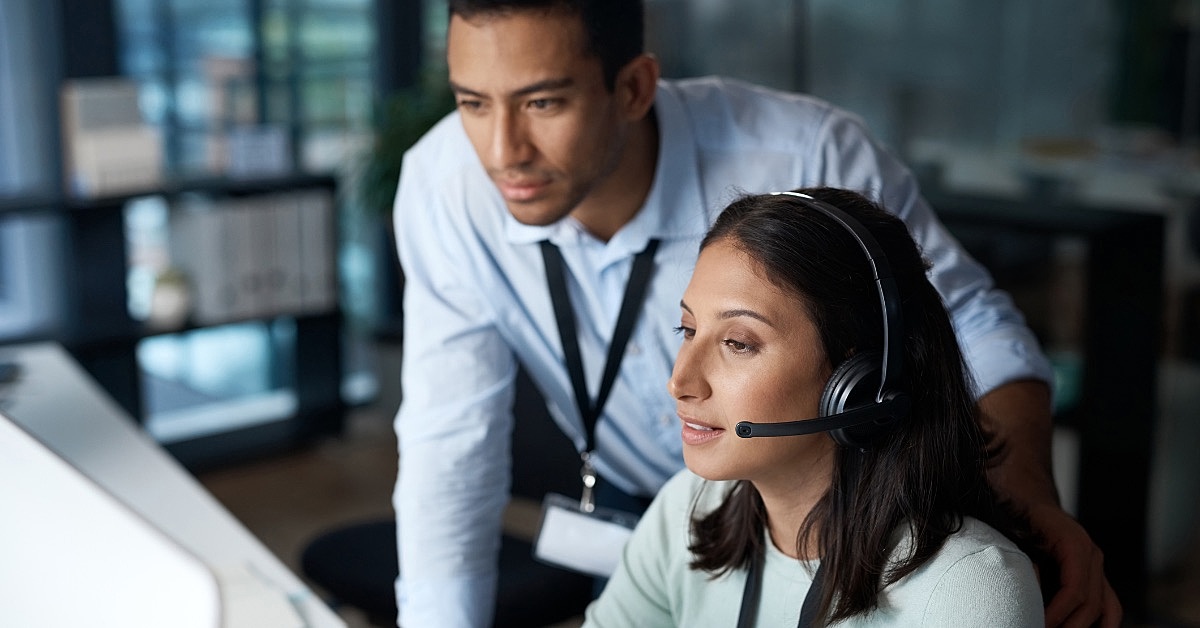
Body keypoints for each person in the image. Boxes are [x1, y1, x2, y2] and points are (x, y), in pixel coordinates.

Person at [391, 1, 1119, 626]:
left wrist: (1024, 501)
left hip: (839, 501)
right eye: (472, 103)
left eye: (543, 102)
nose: (499, 151)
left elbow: (968, 329)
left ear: (635, 87)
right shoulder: (443, 187)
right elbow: (449, 442)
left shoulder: (802, 155)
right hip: (677, 510)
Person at [584, 187, 1046, 627]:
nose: (679, 382)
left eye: (738, 343)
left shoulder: (969, 586)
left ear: (859, 380)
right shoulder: (688, 507)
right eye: (687, 330)